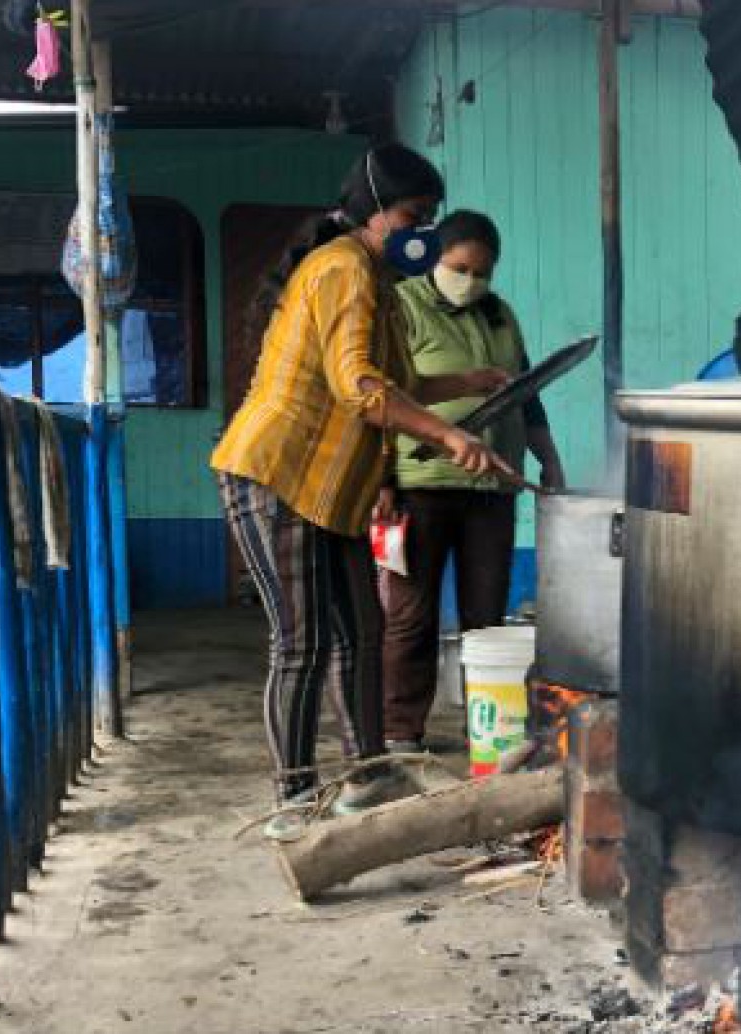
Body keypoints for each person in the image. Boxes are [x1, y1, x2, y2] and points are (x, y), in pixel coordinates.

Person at [211, 146, 515, 838]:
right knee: (303, 643)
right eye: (415, 217)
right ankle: (293, 800)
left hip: (331, 491)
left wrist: (467, 385)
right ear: (374, 212)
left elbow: (396, 380)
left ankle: (366, 775)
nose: (424, 235)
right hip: (279, 473)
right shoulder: (344, 269)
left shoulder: (374, 278)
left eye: (430, 221)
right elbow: (360, 387)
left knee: (363, 632)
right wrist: (445, 436)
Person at [377, 210, 565, 752]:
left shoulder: (500, 314)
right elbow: (379, 396)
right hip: (421, 481)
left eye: (483, 273)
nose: (472, 282)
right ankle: (401, 732)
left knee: (486, 617)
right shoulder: (402, 305)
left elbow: (527, 392)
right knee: (413, 614)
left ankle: (488, 727)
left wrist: (547, 457)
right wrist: (383, 480)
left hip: (493, 487)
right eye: (461, 268)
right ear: (436, 257)